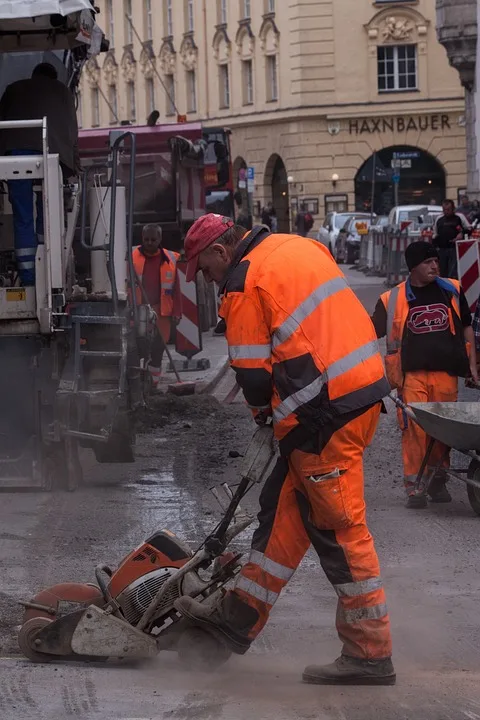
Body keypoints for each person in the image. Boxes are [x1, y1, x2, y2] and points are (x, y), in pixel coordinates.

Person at [175, 213, 395, 686]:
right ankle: (237, 618)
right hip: (357, 396)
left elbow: (253, 375)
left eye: (206, 271)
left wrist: (263, 421)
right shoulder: (298, 247)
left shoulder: (244, 282)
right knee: (283, 513)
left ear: (220, 251)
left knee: (339, 530)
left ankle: (370, 652)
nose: (210, 281)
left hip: (323, 417)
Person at [372, 241, 477, 509]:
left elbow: (467, 327)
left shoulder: (452, 289)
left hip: (446, 373)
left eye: (436, 261)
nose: (435, 266)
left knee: (443, 431)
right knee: (415, 431)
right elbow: (368, 334)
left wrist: (473, 366)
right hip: (411, 376)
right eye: (428, 262)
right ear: (413, 267)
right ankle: (415, 485)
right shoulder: (391, 299)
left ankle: (437, 479)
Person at [0, 63, 80, 286]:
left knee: (22, 215)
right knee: (49, 215)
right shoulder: (63, 92)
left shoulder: (13, 89)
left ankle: (28, 279)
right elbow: (73, 133)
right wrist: (74, 167)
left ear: (33, 75)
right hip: (52, 156)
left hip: (16, 154)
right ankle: (48, 274)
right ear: (54, 78)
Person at [132, 225, 182, 387]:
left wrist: (177, 311)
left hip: (162, 311)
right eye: (146, 239)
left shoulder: (170, 259)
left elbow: (176, 289)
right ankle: (140, 383)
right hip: (139, 310)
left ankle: (153, 384)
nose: (149, 243)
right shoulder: (132, 257)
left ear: (160, 240)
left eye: (153, 240)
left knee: (158, 348)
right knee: (140, 346)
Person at [433, 199, 470, 279]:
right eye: (444, 210)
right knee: (443, 273)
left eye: (448, 210)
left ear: (453, 209)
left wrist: (462, 234)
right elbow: (435, 234)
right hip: (442, 249)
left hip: (455, 249)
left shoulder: (459, 217)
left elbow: (469, 229)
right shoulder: (439, 219)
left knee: (453, 273)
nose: (446, 212)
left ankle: (453, 289)